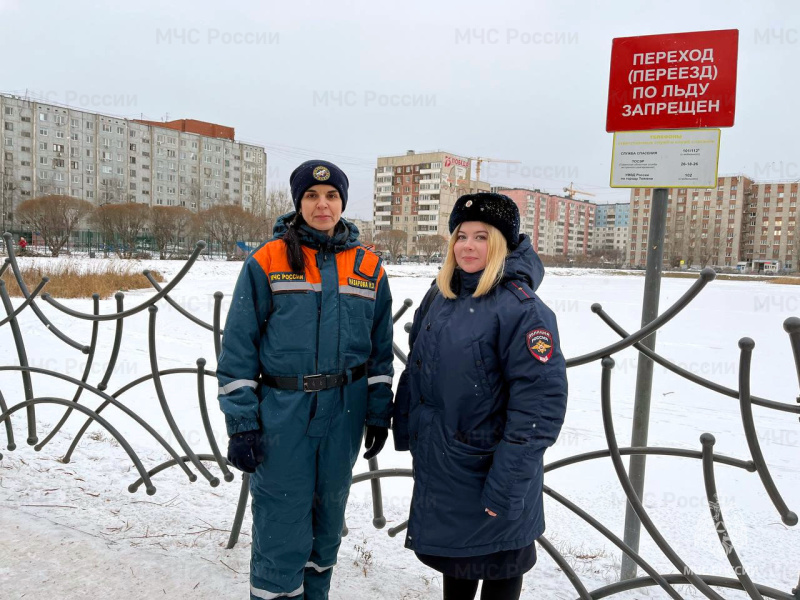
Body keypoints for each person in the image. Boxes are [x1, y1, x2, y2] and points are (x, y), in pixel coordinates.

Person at [216, 159, 395, 600]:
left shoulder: (369, 267)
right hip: (284, 416)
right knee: (281, 526)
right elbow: (239, 351)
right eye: (312, 196)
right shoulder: (267, 260)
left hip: (344, 416)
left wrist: (377, 412)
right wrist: (242, 424)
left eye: (331, 195)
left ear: (343, 203)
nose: (322, 204)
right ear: (298, 202)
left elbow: (379, 350)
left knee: (327, 527)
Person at [393, 192, 568, 600]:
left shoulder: (523, 310)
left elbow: (539, 408)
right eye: (461, 235)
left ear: (502, 244)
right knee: (457, 567)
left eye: (482, 237)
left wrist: (506, 485)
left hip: (493, 474)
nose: (468, 246)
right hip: (449, 469)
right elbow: (418, 370)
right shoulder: (442, 295)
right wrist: (401, 426)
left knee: (498, 569)